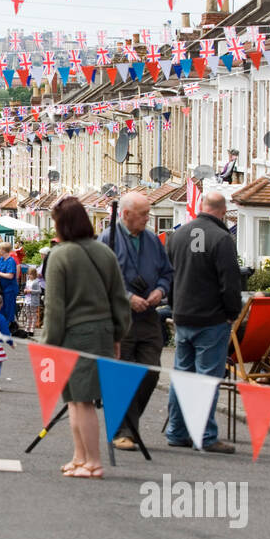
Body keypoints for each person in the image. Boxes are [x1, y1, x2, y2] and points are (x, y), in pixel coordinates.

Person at [40, 197, 132, 479]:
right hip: (102, 333)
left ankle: (92, 461)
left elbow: (54, 307)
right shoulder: (105, 253)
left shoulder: (59, 255)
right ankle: (80, 457)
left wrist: (48, 345)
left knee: (82, 401)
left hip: (73, 335)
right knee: (76, 400)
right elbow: (119, 299)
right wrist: (118, 334)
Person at [164, 191, 243, 454]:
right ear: (222, 211)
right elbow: (230, 282)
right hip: (211, 318)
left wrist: (174, 307)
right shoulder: (222, 238)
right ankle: (205, 435)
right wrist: (233, 312)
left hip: (183, 315)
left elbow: (169, 276)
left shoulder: (178, 236)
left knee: (182, 374)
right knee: (207, 378)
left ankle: (176, 430)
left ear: (201, 207)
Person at [104, 192, 174, 451]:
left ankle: (128, 427)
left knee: (150, 372)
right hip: (122, 319)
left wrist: (160, 290)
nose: (148, 218)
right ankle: (123, 430)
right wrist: (127, 297)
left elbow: (167, 273)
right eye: (143, 214)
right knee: (122, 374)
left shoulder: (153, 241)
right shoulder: (107, 240)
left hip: (148, 318)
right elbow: (103, 279)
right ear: (125, 215)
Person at [0, 240, 21, 326]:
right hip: (1, 288)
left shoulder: (11, 261)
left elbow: (10, 276)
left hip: (10, 289)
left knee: (9, 308)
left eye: (0, 249)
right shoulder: (1, 259)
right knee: (1, 307)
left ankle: (8, 326)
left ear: (4, 250)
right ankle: (2, 325)